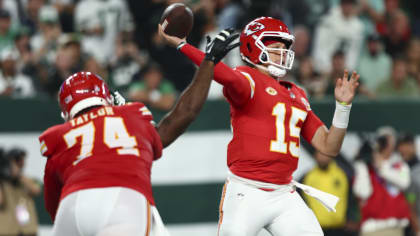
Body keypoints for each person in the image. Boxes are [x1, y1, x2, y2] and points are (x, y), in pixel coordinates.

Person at [159, 16, 359, 236]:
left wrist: (343, 107)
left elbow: (329, 146)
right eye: (275, 48)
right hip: (247, 192)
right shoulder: (248, 79)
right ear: (253, 48)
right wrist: (185, 47)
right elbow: (225, 75)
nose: (283, 53)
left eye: (284, 48)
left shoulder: (296, 93)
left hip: (284, 193)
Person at [38, 28, 240, 236]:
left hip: (72, 205)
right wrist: (209, 61)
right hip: (122, 198)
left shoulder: (59, 136)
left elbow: (53, 206)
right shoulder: (131, 115)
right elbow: (185, 112)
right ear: (107, 99)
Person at [0, 147, 40, 236]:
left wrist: (18, 175)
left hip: (27, 230)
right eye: (16, 160)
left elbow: (36, 190)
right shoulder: (3, 182)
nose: (20, 163)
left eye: (21, 160)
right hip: (8, 231)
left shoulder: (26, 179)